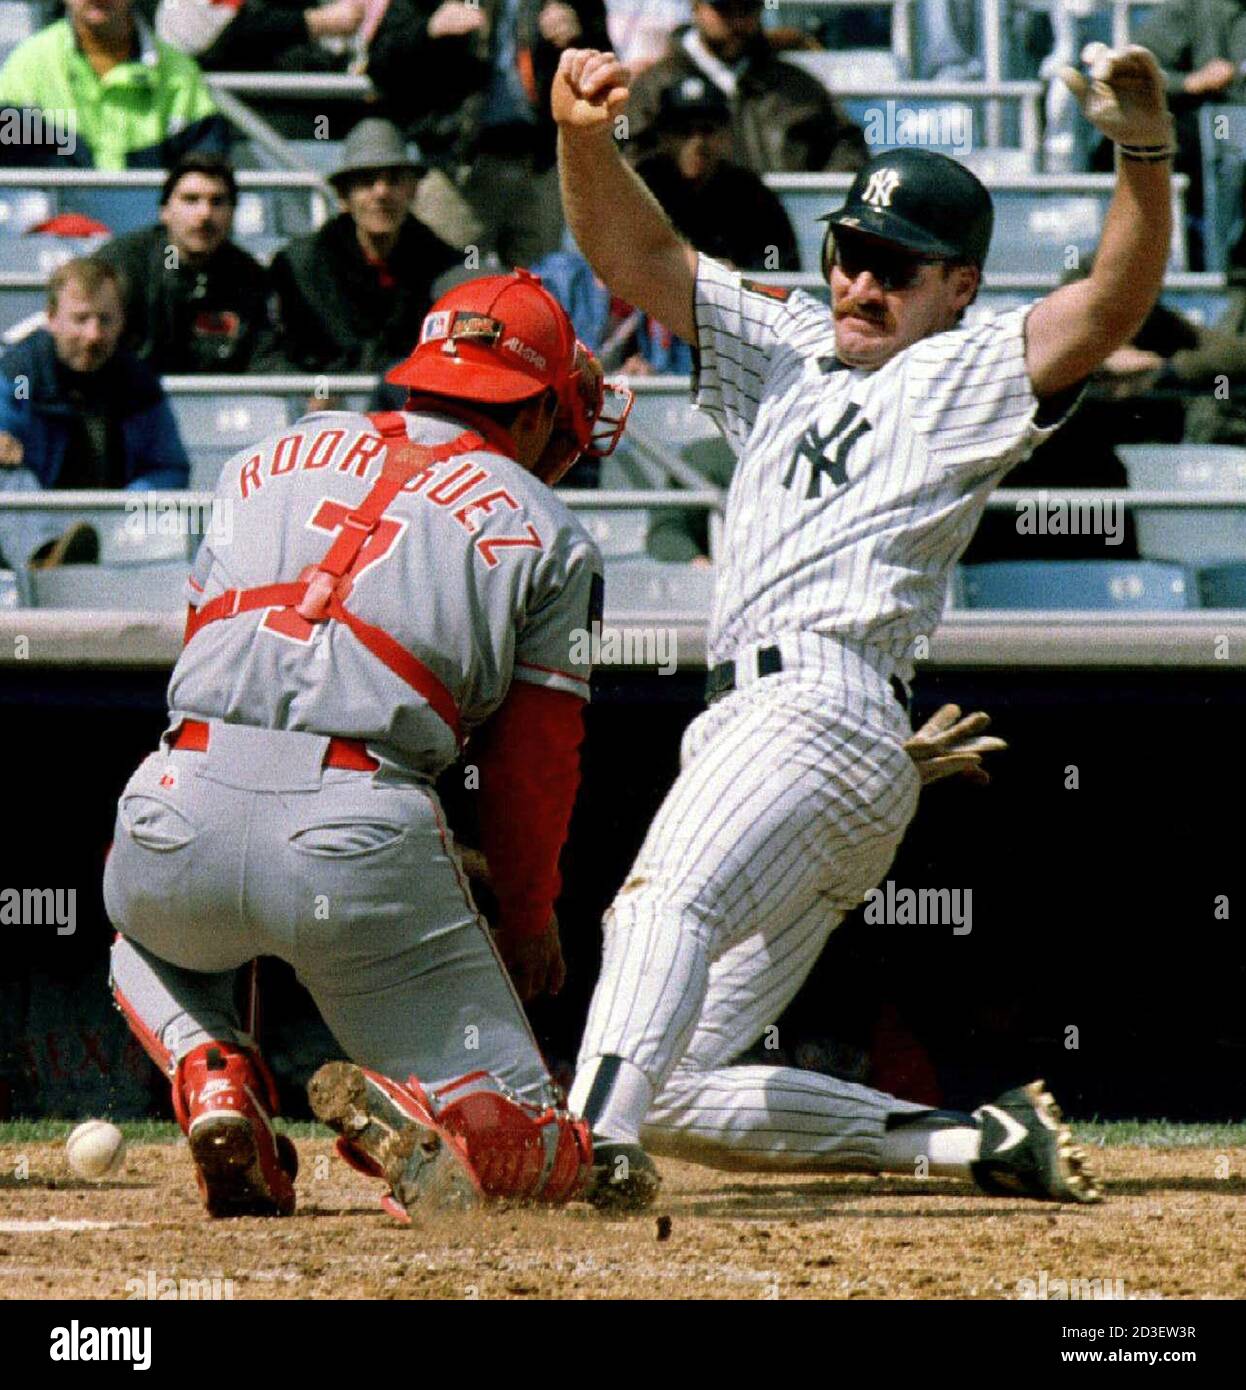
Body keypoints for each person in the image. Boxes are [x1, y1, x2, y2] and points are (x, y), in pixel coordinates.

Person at [552, 40, 1179, 1206]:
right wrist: (584, 140)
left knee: (659, 907)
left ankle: (577, 1145)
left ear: (957, 287)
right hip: (842, 748)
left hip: (808, 710)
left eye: (894, 267)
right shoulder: (787, 344)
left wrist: (1143, 148)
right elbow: (632, 252)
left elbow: (1112, 299)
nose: (858, 284)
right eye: (848, 253)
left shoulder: (964, 370)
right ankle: (967, 1142)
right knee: (678, 1077)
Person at [101, 268, 640, 1219]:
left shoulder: (265, 454)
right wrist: (526, 915)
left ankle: (213, 1074)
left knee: (139, 945)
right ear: (529, 409)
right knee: (541, 1140)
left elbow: (210, 648)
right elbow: (533, 770)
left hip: (174, 800)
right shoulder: (554, 531)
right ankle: (429, 1116)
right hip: (357, 837)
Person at [367, 0, 611, 266]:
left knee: (536, 296)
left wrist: (579, 37)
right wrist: (428, 29)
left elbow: (605, 69)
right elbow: (380, 61)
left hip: (540, 167)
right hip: (460, 170)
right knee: (441, 287)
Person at [0, 258, 189, 572]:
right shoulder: (21, 376)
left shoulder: (139, 385)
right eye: (80, 319)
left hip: (110, 523)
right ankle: (46, 560)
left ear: (122, 322)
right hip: (31, 518)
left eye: (105, 320)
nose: (93, 335)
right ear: (51, 319)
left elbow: (168, 467)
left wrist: (118, 511)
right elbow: (5, 424)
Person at [269, 117, 461, 372]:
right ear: (343, 195)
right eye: (366, 181)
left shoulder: (444, 266)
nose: (381, 193)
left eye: (394, 179)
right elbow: (290, 354)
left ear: (413, 189)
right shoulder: (302, 267)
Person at [622, 0, 867, 175]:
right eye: (723, 7)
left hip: (783, 234)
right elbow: (630, 165)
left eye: (747, 7)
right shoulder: (653, 88)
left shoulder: (799, 89)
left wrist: (812, 210)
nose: (737, 20)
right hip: (682, 239)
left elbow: (847, 152)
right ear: (695, 6)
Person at [96, 156, 283, 374]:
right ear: (165, 211)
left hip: (220, 404)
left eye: (217, 201)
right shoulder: (121, 266)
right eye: (191, 199)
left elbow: (265, 359)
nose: (205, 214)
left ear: (232, 213)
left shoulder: (249, 278)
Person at [0, 0, 227, 169]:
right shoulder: (26, 66)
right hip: (54, 230)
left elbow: (207, 181)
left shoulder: (181, 74)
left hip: (155, 231)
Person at [634, 76, 800, 273]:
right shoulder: (640, 188)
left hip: (731, 300)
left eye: (708, 130)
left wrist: (741, 272)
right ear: (664, 137)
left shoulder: (750, 195)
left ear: (725, 136)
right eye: (684, 131)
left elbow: (777, 261)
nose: (697, 143)